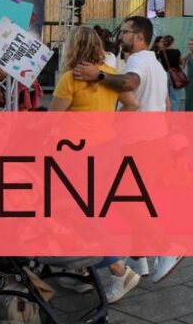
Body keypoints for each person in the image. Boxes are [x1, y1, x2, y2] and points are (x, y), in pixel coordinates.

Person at [73, 16, 181, 282]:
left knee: (126, 199)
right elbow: (166, 104)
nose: (121, 36)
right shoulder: (155, 63)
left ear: (139, 36)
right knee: (136, 199)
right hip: (154, 138)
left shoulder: (137, 60)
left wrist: (96, 75)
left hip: (140, 141)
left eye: (126, 32)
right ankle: (139, 257)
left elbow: (130, 84)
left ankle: (167, 247)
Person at [49, 26, 140, 302]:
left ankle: (117, 268)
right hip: (108, 148)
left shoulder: (70, 79)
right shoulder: (110, 75)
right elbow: (133, 105)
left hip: (77, 154)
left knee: (75, 213)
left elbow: (51, 121)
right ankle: (81, 271)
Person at [159, 36, 185, 111]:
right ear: (172, 42)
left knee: (166, 97)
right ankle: (173, 118)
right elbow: (181, 63)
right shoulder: (177, 51)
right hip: (175, 76)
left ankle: (167, 115)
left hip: (165, 75)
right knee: (175, 97)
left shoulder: (161, 52)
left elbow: (160, 64)